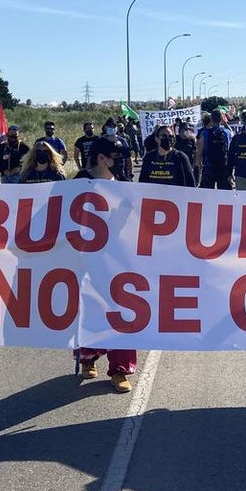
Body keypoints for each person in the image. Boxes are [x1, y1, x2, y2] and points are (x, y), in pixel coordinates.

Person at [73, 136, 137, 393]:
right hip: (87, 257)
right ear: (101, 158)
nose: (121, 163)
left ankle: (120, 368)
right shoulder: (79, 183)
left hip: (118, 259)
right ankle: (88, 356)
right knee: (89, 307)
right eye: (116, 158)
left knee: (122, 310)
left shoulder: (123, 184)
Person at [199, 109, 233, 189]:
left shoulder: (205, 133)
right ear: (221, 118)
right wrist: (225, 123)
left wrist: (199, 163)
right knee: (224, 194)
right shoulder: (227, 132)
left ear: (211, 119)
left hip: (208, 166)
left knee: (206, 194)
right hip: (223, 166)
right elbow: (231, 136)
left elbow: (199, 151)